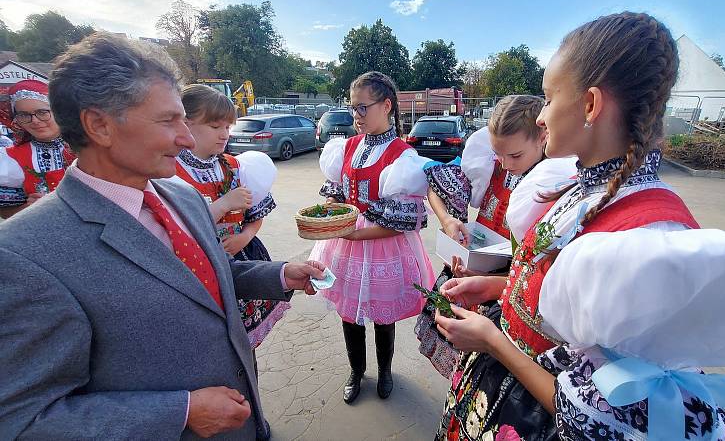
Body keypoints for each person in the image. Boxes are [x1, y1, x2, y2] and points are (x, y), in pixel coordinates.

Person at [0, 32, 325, 440]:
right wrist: (180, 413)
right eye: (169, 121)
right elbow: (23, 420)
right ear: (99, 125)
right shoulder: (23, 254)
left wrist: (278, 275)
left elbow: (201, 279)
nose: (187, 138)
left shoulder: (182, 196)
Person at [433, 12, 725, 440]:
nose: (541, 117)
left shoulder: (647, 241)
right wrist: (497, 288)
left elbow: (607, 413)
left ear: (591, 104)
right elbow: (565, 306)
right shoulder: (581, 189)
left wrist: (493, 343)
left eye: (549, 98)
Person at [416, 96, 575, 378]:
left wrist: (493, 278)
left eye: (514, 156)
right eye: (498, 154)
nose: (504, 163)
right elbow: (433, 186)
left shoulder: (556, 187)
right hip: (467, 276)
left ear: (543, 137)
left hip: (508, 296)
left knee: (485, 373)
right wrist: (449, 220)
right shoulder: (492, 166)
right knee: (459, 366)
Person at [309, 71, 435, 404]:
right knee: (349, 314)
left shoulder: (402, 155)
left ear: (387, 106)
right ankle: (355, 371)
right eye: (353, 108)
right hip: (345, 243)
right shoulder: (347, 147)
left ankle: (385, 372)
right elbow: (338, 191)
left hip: (380, 244)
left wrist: (354, 233)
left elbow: (402, 223)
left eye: (363, 108)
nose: (356, 116)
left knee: (382, 318)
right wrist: (332, 208)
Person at [176, 84, 290, 359]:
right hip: (194, 272)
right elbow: (179, 228)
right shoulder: (171, 173)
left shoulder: (236, 166)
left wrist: (244, 237)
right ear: (186, 123)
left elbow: (256, 218)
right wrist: (225, 204)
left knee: (243, 350)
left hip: (239, 267)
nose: (225, 134)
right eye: (216, 126)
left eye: (228, 127)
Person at [0, 80, 73, 218]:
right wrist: (28, 208)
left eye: (42, 112)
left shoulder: (89, 145)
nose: (35, 120)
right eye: (24, 115)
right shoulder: (12, 158)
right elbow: (5, 212)